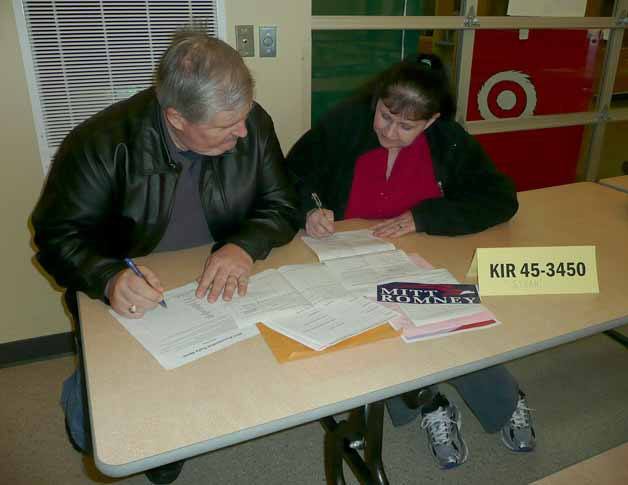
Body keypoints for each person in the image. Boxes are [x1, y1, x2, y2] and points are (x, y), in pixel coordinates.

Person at [31, 26, 298, 484]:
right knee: (103, 435)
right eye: (225, 127)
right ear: (175, 118)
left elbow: (283, 205)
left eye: (245, 116)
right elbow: (57, 236)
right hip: (134, 288)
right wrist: (109, 278)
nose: (243, 132)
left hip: (219, 275)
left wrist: (243, 246)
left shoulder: (251, 122)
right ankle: (84, 390)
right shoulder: (99, 144)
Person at [286, 54, 536, 469]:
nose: (390, 131)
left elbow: (500, 198)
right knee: (376, 330)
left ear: (432, 121)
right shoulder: (345, 124)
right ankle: (428, 401)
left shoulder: (449, 140)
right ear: (377, 102)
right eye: (385, 116)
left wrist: (426, 217)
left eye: (407, 126)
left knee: (451, 319)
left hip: (422, 256)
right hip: (346, 257)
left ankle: (506, 401)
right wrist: (309, 210)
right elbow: (292, 175)